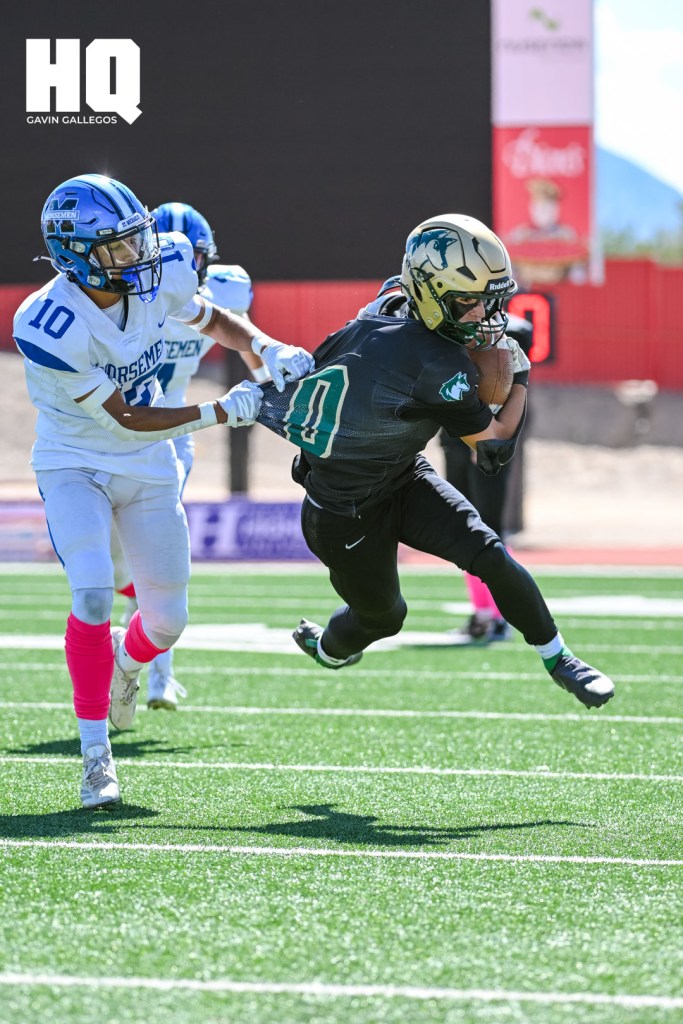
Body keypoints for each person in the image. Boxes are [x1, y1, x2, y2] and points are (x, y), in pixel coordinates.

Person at [14, 173, 313, 809]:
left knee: (168, 621)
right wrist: (219, 413)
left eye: (138, 239)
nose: (140, 256)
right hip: (78, 461)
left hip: (146, 461)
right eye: (119, 248)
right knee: (94, 593)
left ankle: (128, 664)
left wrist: (265, 343)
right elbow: (124, 415)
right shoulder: (50, 323)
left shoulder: (161, 266)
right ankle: (96, 756)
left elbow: (208, 317)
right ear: (75, 254)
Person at [256, 213, 615, 710]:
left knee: (489, 552)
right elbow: (493, 449)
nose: (483, 313)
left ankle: (560, 658)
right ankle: (328, 647)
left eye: (491, 299)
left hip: (402, 475)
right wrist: (522, 375)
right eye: (469, 301)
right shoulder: (433, 364)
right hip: (343, 510)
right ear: (431, 292)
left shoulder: (395, 297)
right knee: (384, 617)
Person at [112, 201, 269, 711]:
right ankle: (133, 652)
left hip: (177, 426)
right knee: (118, 566)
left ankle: (158, 676)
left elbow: (243, 344)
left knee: (158, 551)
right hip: (120, 427)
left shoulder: (220, 293)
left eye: (193, 256)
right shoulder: (123, 298)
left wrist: (269, 374)